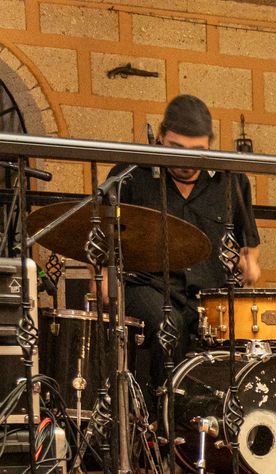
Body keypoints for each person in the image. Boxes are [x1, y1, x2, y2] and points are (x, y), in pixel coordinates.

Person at [107, 95, 262, 400]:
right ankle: (163, 420)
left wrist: (250, 264)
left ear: (210, 146)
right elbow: (103, 237)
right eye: (176, 149)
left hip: (208, 295)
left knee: (251, 339)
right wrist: (102, 280)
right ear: (161, 138)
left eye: (198, 152)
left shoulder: (231, 181)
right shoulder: (131, 174)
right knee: (167, 324)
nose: (186, 161)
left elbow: (250, 246)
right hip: (148, 285)